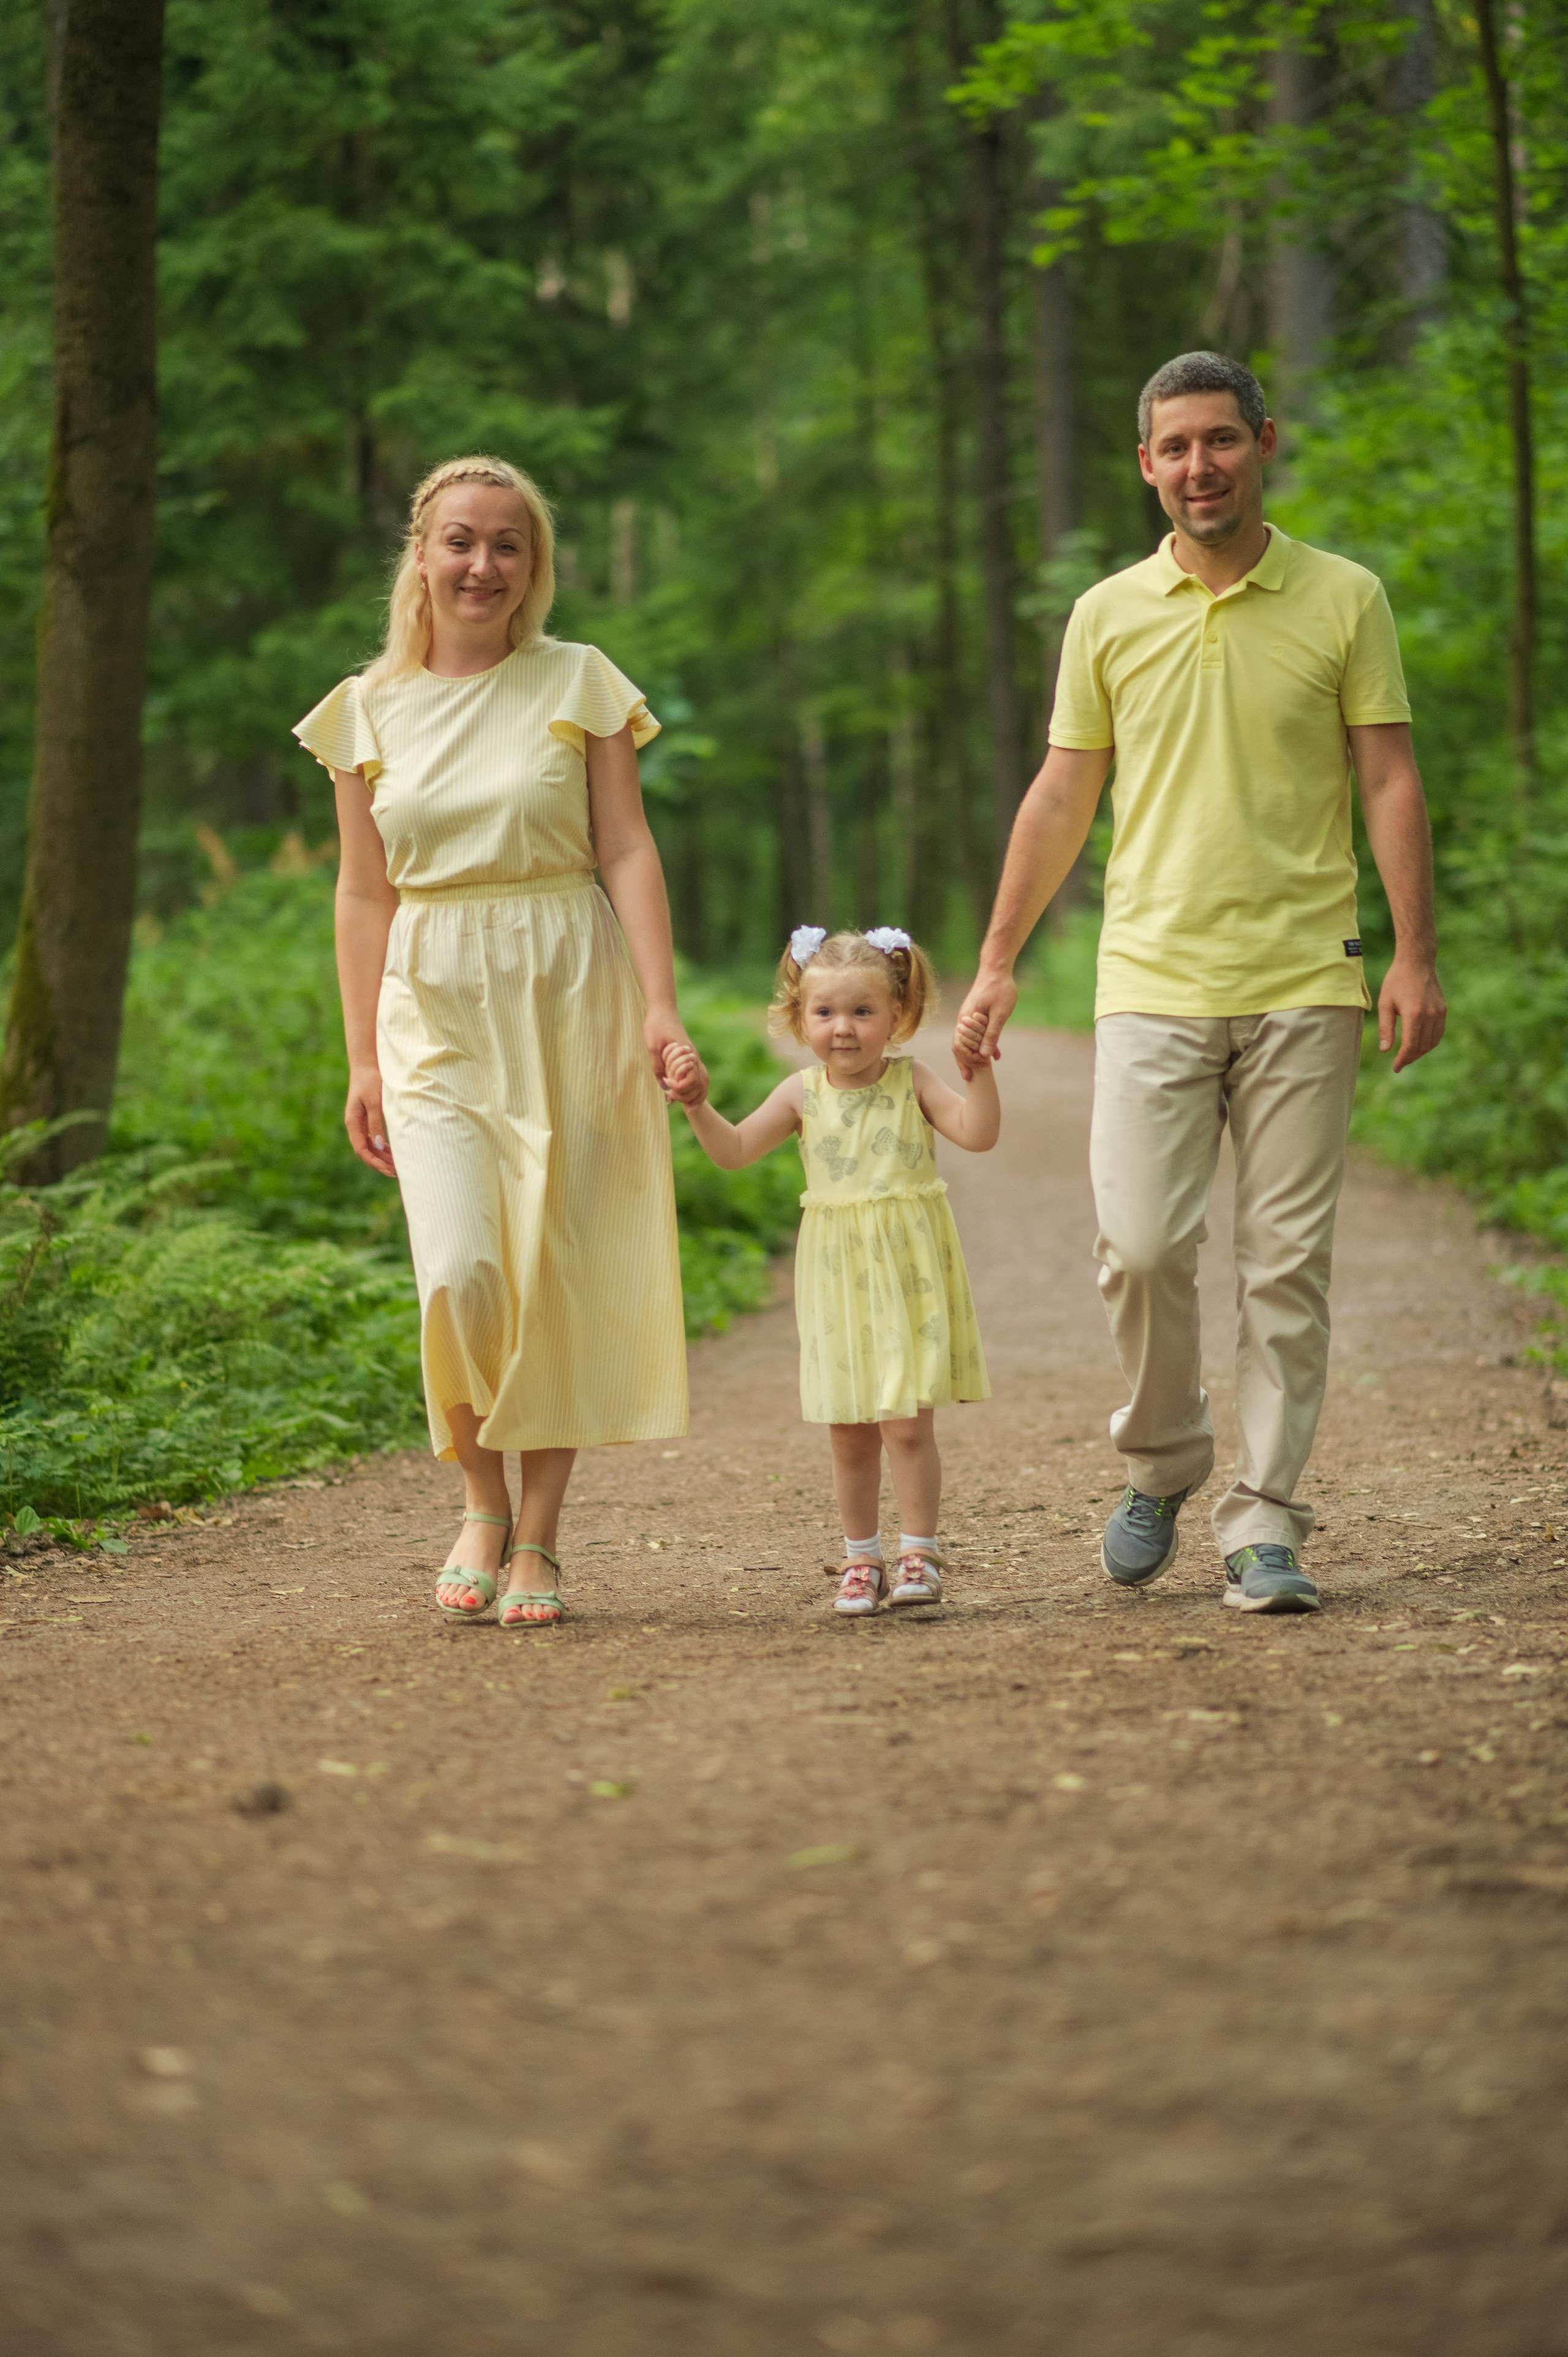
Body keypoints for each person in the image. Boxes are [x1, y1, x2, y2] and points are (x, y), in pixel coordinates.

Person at [955, 350, 1446, 1616]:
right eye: (1173, 447)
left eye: (1219, 439)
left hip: (1306, 973)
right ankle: (1164, 1459)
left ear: (1262, 444)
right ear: (1144, 465)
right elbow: (1062, 792)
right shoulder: (1106, 613)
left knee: (1284, 1263)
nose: (1198, 465)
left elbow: (1387, 775)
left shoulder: (1344, 597)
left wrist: (1412, 951)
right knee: (1139, 1246)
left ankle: (1264, 1516)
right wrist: (998, 961)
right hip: (1151, 974)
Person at [293, 453, 699, 1630]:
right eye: (461, 541)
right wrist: (362, 1057)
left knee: (549, 1266)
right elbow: (361, 891)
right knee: (459, 1268)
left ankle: (541, 1533)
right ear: (421, 555)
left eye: (507, 544)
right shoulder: (363, 709)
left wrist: (660, 1003)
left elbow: (626, 846)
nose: (484, 564)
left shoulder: (578, 679)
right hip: (431, 1001)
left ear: (534, 563)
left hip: (568, 983)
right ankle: (481, 1497)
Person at [665, 926, 997, 1616]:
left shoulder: (913, 1082)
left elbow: (978, 1132)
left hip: (906, 1275)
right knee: (848, 1426)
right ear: (799, 1018)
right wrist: (697, 1104)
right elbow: (733, 1151)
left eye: (862, 1011)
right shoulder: (801, 1094)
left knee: (906, 1422)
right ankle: (860, 1558)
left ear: (897, 1014)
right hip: (838, 1279)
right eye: (824, 1012)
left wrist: (979, 1073)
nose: (843, 1028)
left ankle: (919, 1552)